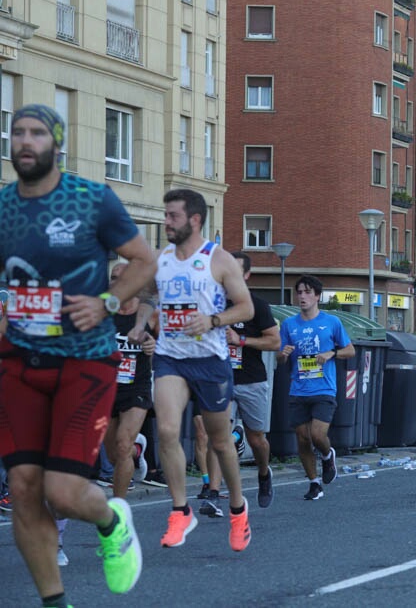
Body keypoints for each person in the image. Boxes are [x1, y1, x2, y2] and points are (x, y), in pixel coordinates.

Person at [0, 104, 152, 603]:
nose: (25, 141)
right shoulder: (3, 206)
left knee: (62, 493)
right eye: (17, 132)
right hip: (19, 360)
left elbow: (144, 260)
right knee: (23, 485)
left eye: (37, 133)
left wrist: (107, 302)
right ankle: (55, 601)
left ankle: (112, 521)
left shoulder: (91, 199)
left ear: (56, 143)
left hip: (84, 361)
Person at [133, 188, 254, 551]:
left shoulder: (218, 260)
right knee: (167, 430)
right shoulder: (160, 258)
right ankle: (180, 510)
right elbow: (149, 296)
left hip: (210, 360)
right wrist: (141, 324)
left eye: (172, 216)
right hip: (171, 356)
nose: (166, 222)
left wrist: (213, 320)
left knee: (219, 441)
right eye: (165, 215)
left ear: (195, 220)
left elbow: (245, 307)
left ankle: (237, 509)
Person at [278, 275, 356, 500]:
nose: (302, 296)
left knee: (317, 434)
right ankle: (314, 483)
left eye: (307, 292)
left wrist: (332, 353)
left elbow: (350, 350)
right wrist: (282, 356)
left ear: (317, 296)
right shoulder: (289, 324)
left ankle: (327, 454)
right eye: (299, 292)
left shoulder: (332, 322)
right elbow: (280, 358)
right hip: (298, 388)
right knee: (302, 439)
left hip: (324, 388)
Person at [224, 251, 280, 507]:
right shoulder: (213, 304)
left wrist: (241, 340)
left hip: (252, 379)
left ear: (246, 275)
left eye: (236, 272)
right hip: (221, 379)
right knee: (217, 435)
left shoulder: (257, 305)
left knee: (257, 439)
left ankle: (263, 473)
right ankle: (215, 490)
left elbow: (274, 341)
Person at [106, 262, 155, 499]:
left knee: (122, 445)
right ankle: (138, 451)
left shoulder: (149, 314)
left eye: (122, 277)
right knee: (115, 454)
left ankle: (119, 510)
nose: (117, 282)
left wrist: (152, 346)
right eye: (113, 277)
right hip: (105, 389)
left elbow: (166, 350)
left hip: (137, 387)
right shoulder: (104, 312)